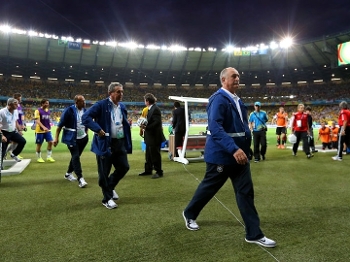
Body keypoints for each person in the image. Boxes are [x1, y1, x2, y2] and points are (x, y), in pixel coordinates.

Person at [182, 67, 276, 248]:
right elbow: (215, 128)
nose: (238, 78)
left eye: (239, 76)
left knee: (246, 193)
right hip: (222, 155)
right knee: (209, 188)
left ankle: (254, 234)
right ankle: (189, 213)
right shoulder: (218, 99)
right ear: (224, 79)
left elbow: (240, 128)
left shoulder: (237, 100)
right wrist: (234, 149)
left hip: (240, 156)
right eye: (234, 76)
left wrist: (244, 149)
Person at [82, 82, 132, 209]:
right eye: (118, 92)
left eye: (122, 92)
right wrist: (98, 129)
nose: (121, 94)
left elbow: (121, 122)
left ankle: (109, 187)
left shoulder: (122, 107)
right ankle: (107, 199)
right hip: (105, 143)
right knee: (104, 172)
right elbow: (85, 117)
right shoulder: (101, 105)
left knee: (124, 167)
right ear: (110, 93)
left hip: (119, 143)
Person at [53, 95, 88, 188]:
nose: (84, 103)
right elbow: (59, 126)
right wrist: (56, 138)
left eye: (84, 101)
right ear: (76, 102)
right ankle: (80, 178)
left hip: (83, 138)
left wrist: (86, 133)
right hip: (72, 138)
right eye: (82, 101)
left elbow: (87, 122)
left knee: (75, 157)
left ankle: (68, 173)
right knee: (76, 157)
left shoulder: (85, 110)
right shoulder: (69, 111)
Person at [138, 93, 166, 179]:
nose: (144, 102)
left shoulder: (155, 109)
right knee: (149, 155)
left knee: (155, 155)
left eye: (145, 100)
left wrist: (146, 127)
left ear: (147, 101)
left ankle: (159, 171)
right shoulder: (151, 109)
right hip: (150, 136)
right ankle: (148, 170)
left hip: (154, 137)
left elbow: (156, 122)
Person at [0, 98, 27, 163]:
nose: (17, 105)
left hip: (12, 132)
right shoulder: (2, 112)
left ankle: (14, 154)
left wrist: (19, 129)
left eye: (17, 103)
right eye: (15, 103)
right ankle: (0, 166)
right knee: (3, 150)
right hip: (4, 132)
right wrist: (2, 135)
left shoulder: (16, 111)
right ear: (9, 104)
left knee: (22, 141)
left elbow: (15, 121)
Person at [34, 99, 55, 163]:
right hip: (40, 130)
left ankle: (49, 157)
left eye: (48, 103)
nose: (47, 104)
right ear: (42, 104)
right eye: (46, 103)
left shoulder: (48, 111)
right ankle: (39, 158)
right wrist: (43, 127)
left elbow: (47, 119)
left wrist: (49, 126)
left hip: (47, 130)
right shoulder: (37, 111)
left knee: (51, 142)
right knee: (39, 144)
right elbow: (37, 120)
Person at [5, 93, 26, 159]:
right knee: (14, 141)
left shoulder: (19, 106)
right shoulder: (12, 106)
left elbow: (21, 116)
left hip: (18, 125)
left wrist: (22, 124)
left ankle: (11, 153)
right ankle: (10, 153)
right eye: (19, 99)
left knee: (16, 141)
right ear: (15, 99)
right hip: (12, 126)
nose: (20, 100)